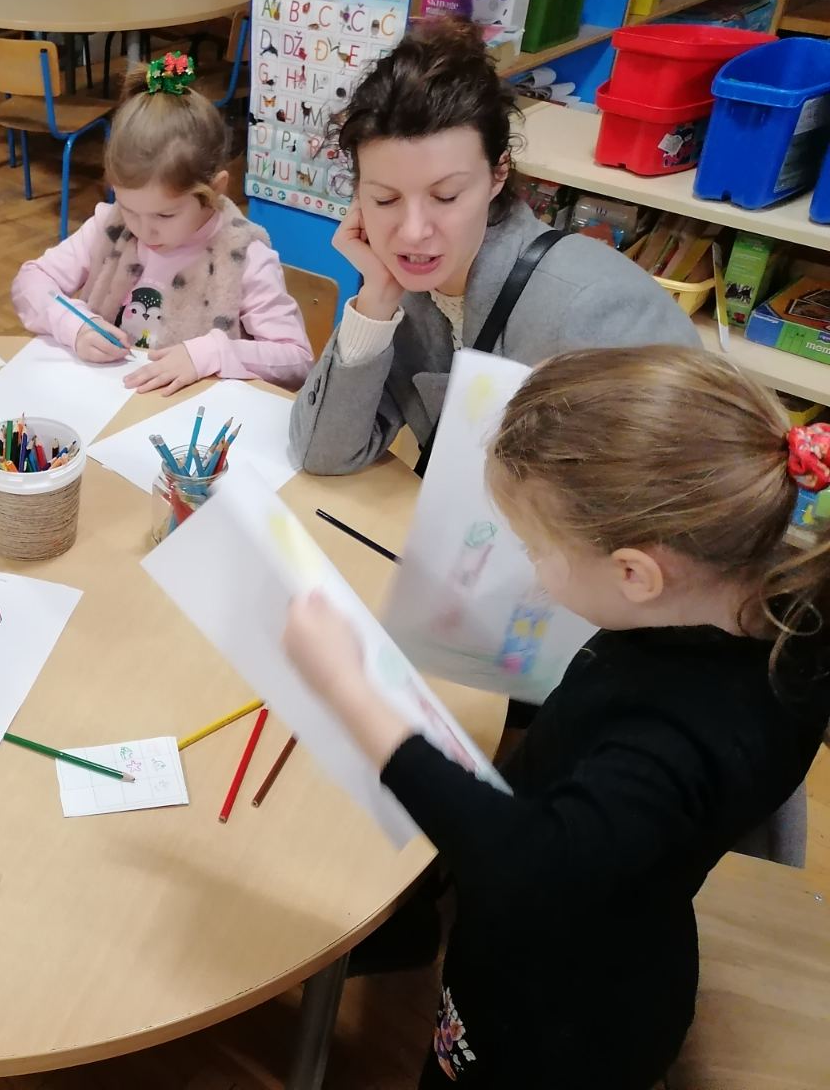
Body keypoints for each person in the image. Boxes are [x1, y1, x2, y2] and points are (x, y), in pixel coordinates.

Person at [282, 347, 830, 1089]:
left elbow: (524, 869)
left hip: (552, 1016)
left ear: (637, 574)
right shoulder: (773, 609)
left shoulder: (674, 742)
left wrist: (350, 693)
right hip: (625, 932)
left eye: (537, 549)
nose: (533, 570)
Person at [290, 21, 698, 475]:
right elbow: (322, 454)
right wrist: (375, 302)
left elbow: (680, 485)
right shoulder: (404, 292)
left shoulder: (593, 307)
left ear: (498, 174)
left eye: (446, 196)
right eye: (385, 199)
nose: (412, 232)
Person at [12, 53, 313, 395]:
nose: (143, 231)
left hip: (193, 418)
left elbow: (297, 361)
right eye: (129, 208)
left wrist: (212, 353)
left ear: (214, 191)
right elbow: (30, 281)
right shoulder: (111, 226)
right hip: (109, 405)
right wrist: (76, 326)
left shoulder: (243, 255)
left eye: (165, 215)